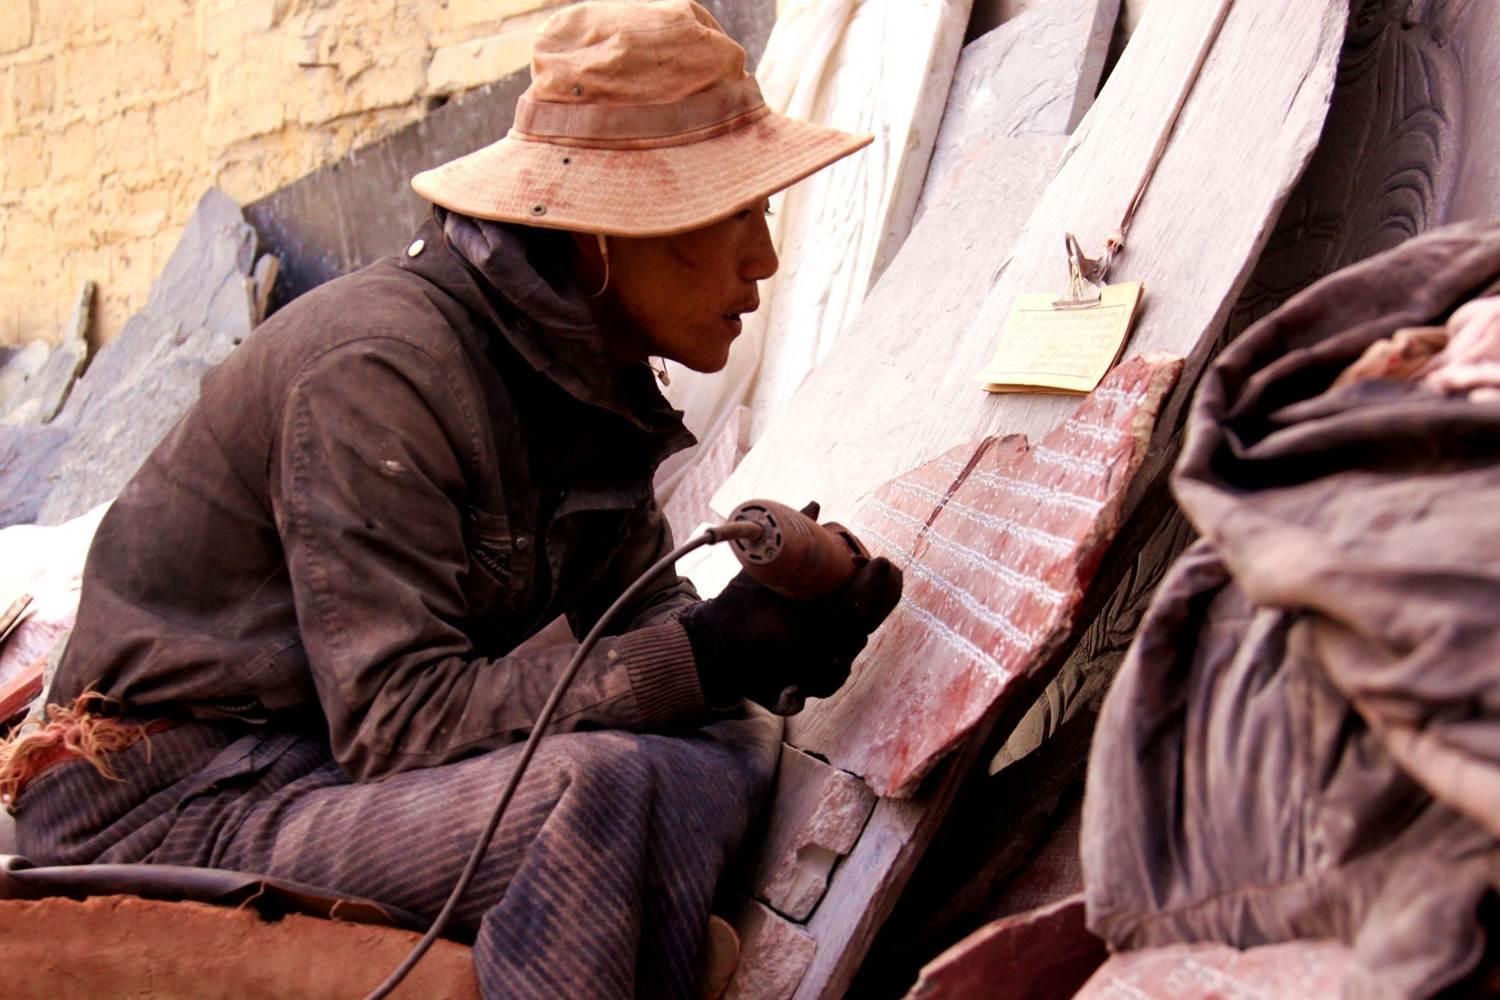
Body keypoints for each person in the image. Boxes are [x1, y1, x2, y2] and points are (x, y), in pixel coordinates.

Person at [0, 2, 902, 996]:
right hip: (178, 793)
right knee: (597, 794)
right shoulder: (383, 371)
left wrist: (757, 637)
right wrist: (702, 656)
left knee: (723, 744)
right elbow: (397, 721)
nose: (764, 260)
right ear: (607, 232)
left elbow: (637, 612)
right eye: (733, 214)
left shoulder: (582, 364)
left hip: (318, 762)